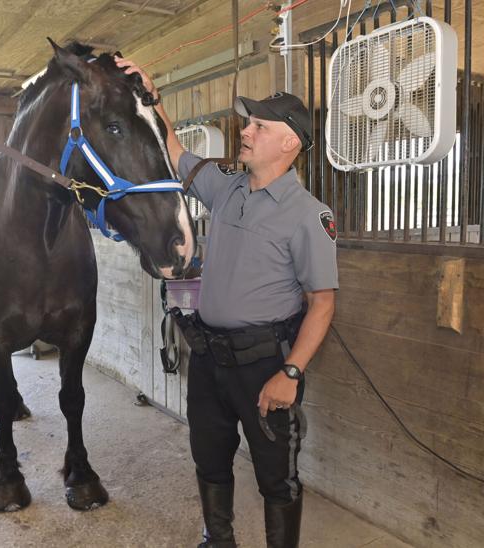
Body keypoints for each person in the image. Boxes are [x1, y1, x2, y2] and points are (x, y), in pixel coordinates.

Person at [116, 56, 338, 548]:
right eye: (248, 121)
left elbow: (321, 303)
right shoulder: (227, 185)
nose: (246, 130)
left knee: (275, 479)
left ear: (289, 142)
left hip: (265, 366)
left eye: (260, 125)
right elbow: (174, 152)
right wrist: (151, 97)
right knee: (210, 460)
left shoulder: (308, 215)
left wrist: (292, 373)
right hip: (209, 359)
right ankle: (219, 541)